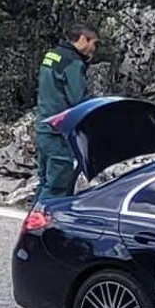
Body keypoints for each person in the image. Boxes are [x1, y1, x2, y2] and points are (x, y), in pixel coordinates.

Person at [34, 25, 98, 204]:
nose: (94, 49)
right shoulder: (73, 62)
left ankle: (32, 219)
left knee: (45, 180)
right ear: (83, 39)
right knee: (58, 185)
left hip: (43, 127)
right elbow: (78, 99)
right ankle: (42, 226)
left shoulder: (52, 55)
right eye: (94, 43)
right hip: (58, 131)